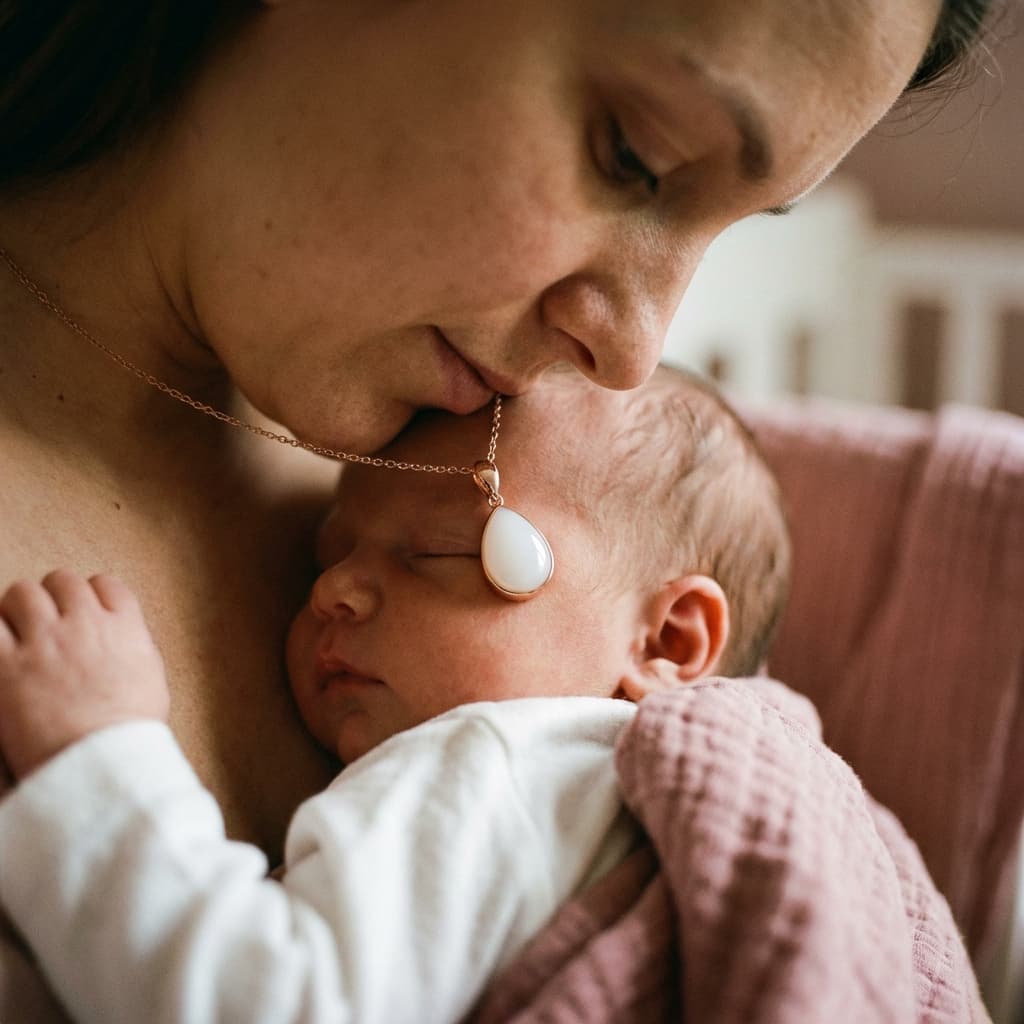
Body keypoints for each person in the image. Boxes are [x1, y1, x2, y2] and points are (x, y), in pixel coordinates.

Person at [0, 1, 996, 1018]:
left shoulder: (495, 464)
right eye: (635, 157)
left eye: (727, 225)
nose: (634, 352)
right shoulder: (434, 494)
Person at [0, 368, 790, 1023]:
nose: (336, 590)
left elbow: (271, 1006)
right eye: (328, 555)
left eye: (439, 550)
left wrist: (98, 758)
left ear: (668, 642)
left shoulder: (500, 758)